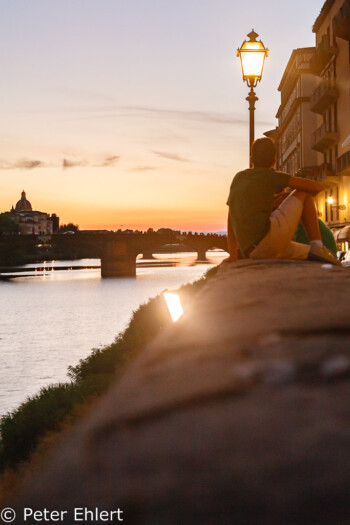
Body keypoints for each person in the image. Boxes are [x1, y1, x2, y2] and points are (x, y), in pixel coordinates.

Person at [225, 137, 340, 266]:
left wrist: (232, 255)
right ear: (274, 161)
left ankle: (318, 252)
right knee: (304, 193)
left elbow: (231, 218)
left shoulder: (238, 178)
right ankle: (317, 245)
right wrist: (288, 195)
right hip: (270, 240)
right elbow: (317, 187)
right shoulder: (271, 176)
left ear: (251, 160)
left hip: (252, 251)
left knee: (311, 254)